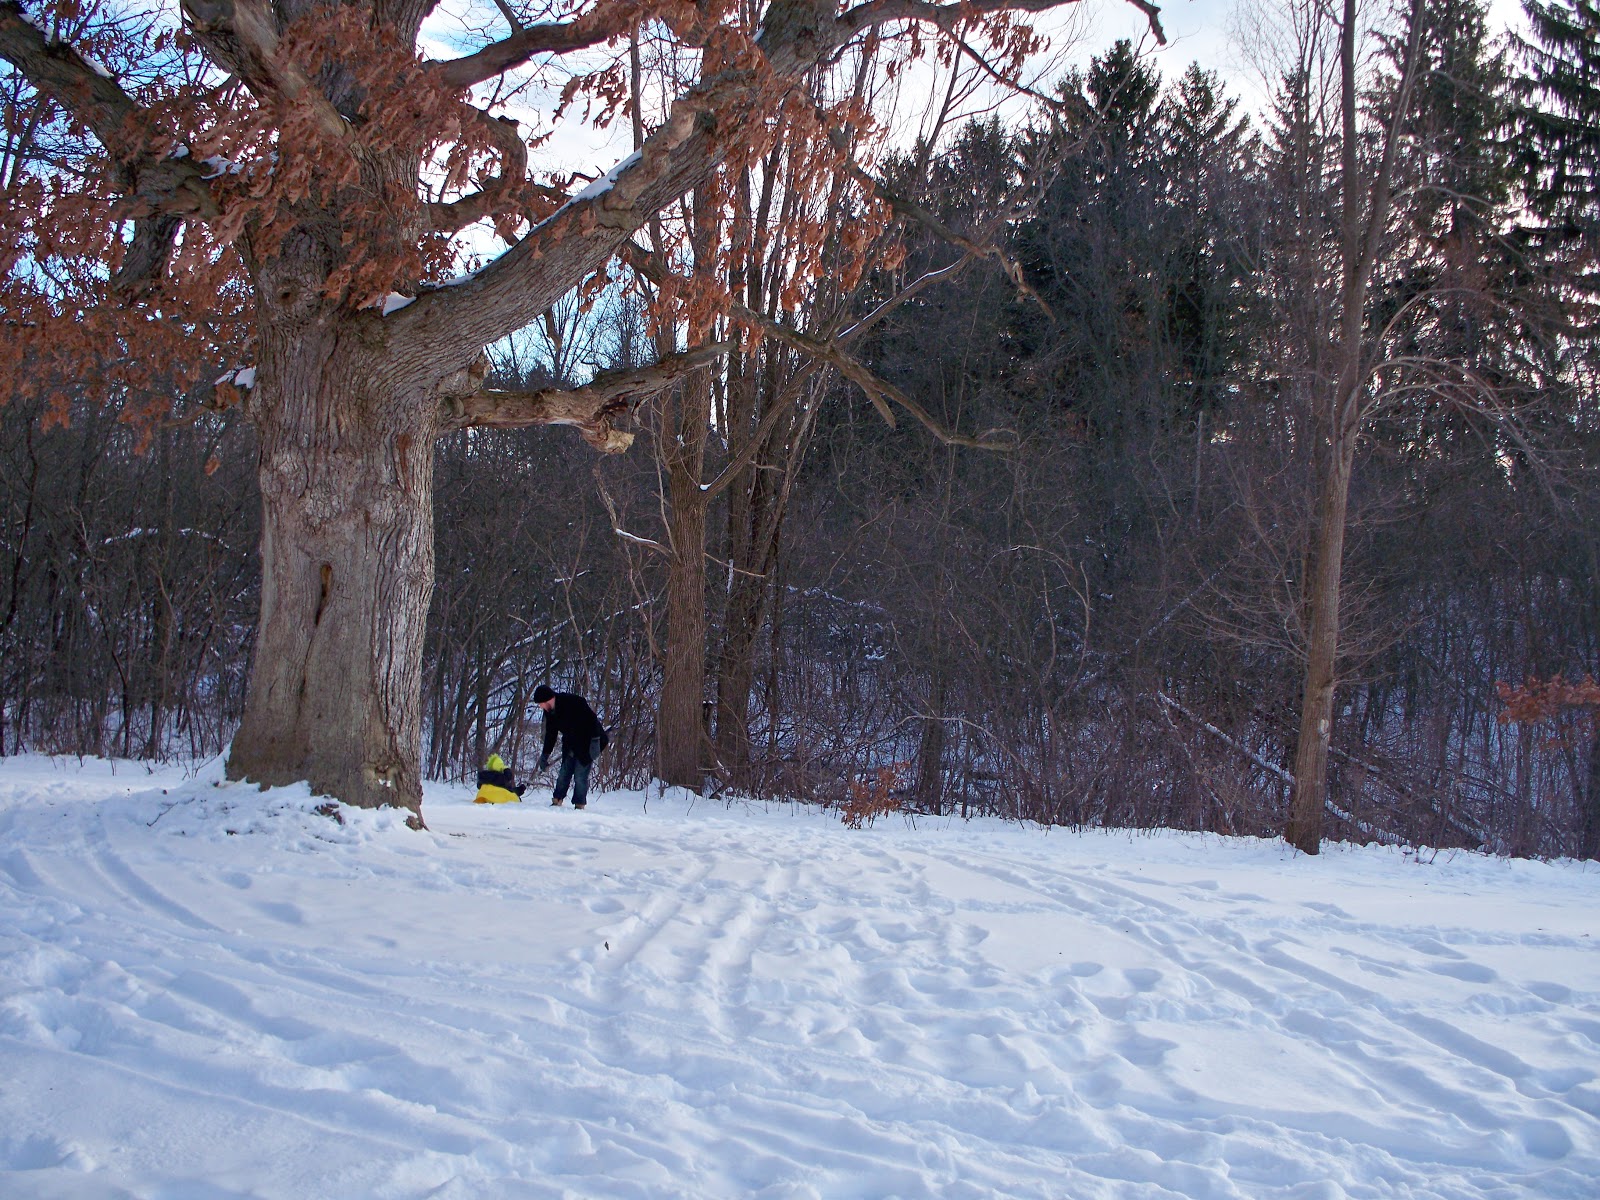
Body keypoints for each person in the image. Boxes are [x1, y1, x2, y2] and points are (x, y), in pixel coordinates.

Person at [534, 684, 609, 809]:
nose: (540, 706)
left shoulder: (573, 702)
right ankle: (557, 799)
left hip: (589, 742)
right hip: (571, 742)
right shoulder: (549, 712)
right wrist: (545, 754)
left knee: (580, 775)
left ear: (547, 700)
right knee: (564, 772)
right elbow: (551, 734)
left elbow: (592, 721)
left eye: (540, 703)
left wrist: (595, 741)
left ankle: (579, 804)